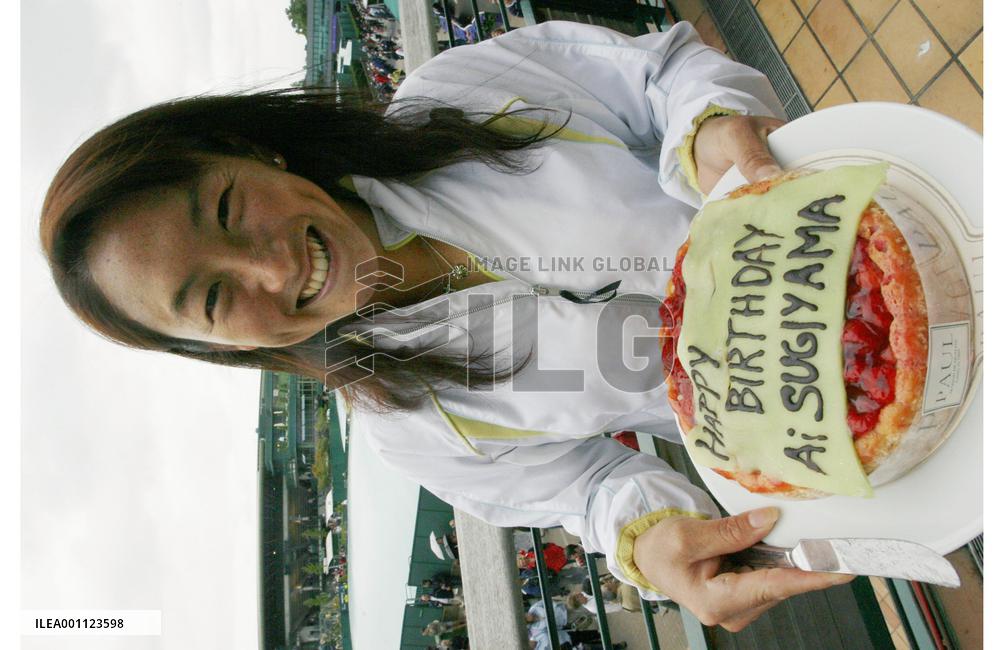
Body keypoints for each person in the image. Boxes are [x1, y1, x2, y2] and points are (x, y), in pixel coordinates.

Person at [40, 20, 853, 631]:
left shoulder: (466, 93)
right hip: (849, 425)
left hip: (873, 225)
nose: (275, 268)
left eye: (226, 208)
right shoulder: (414, 430)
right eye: (215, 299)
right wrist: (655, 546)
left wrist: (708, 127)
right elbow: (592, 487)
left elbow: (661, 73)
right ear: (221, 348)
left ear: (247, 149)